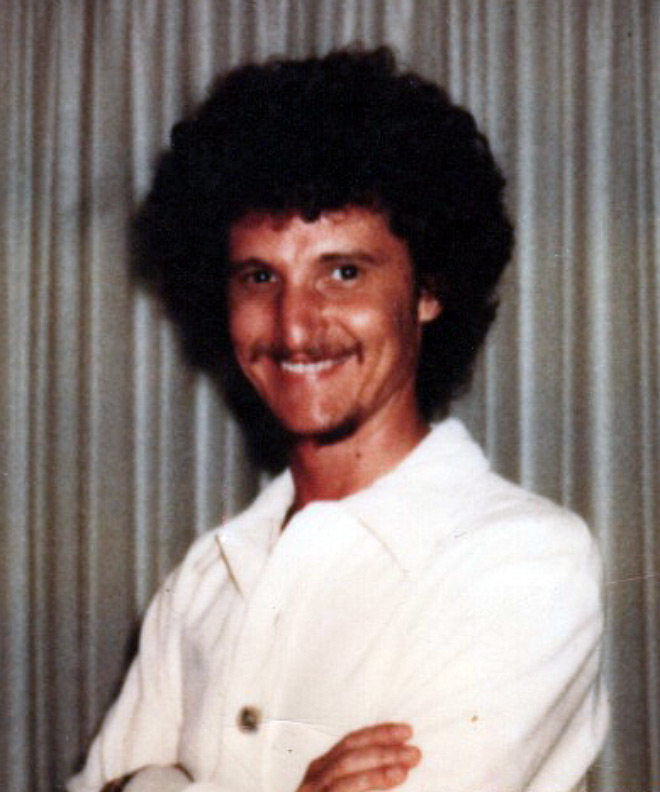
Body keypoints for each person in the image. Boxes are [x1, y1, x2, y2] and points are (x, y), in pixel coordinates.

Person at [68, 47, 608, 792]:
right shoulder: (206, 579)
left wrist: (151, 784)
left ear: (429, 289)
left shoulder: (521, 562)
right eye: (260, 276)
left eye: (343, 272)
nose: (294, 326)